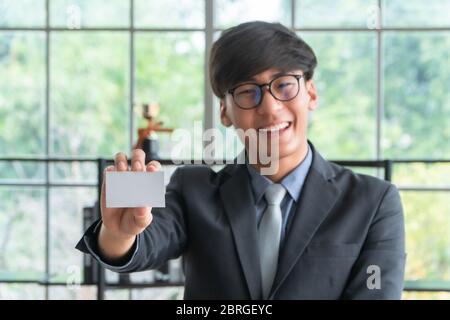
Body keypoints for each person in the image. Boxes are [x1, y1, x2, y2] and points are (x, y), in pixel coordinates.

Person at [76, 21, 406, 299]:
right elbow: (144, 242)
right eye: (249, 91)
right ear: (225, 111)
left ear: (312, 94)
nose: (270, 107)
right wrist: (119, 235)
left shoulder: (373, 201)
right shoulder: (194, 189)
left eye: (285, 85)